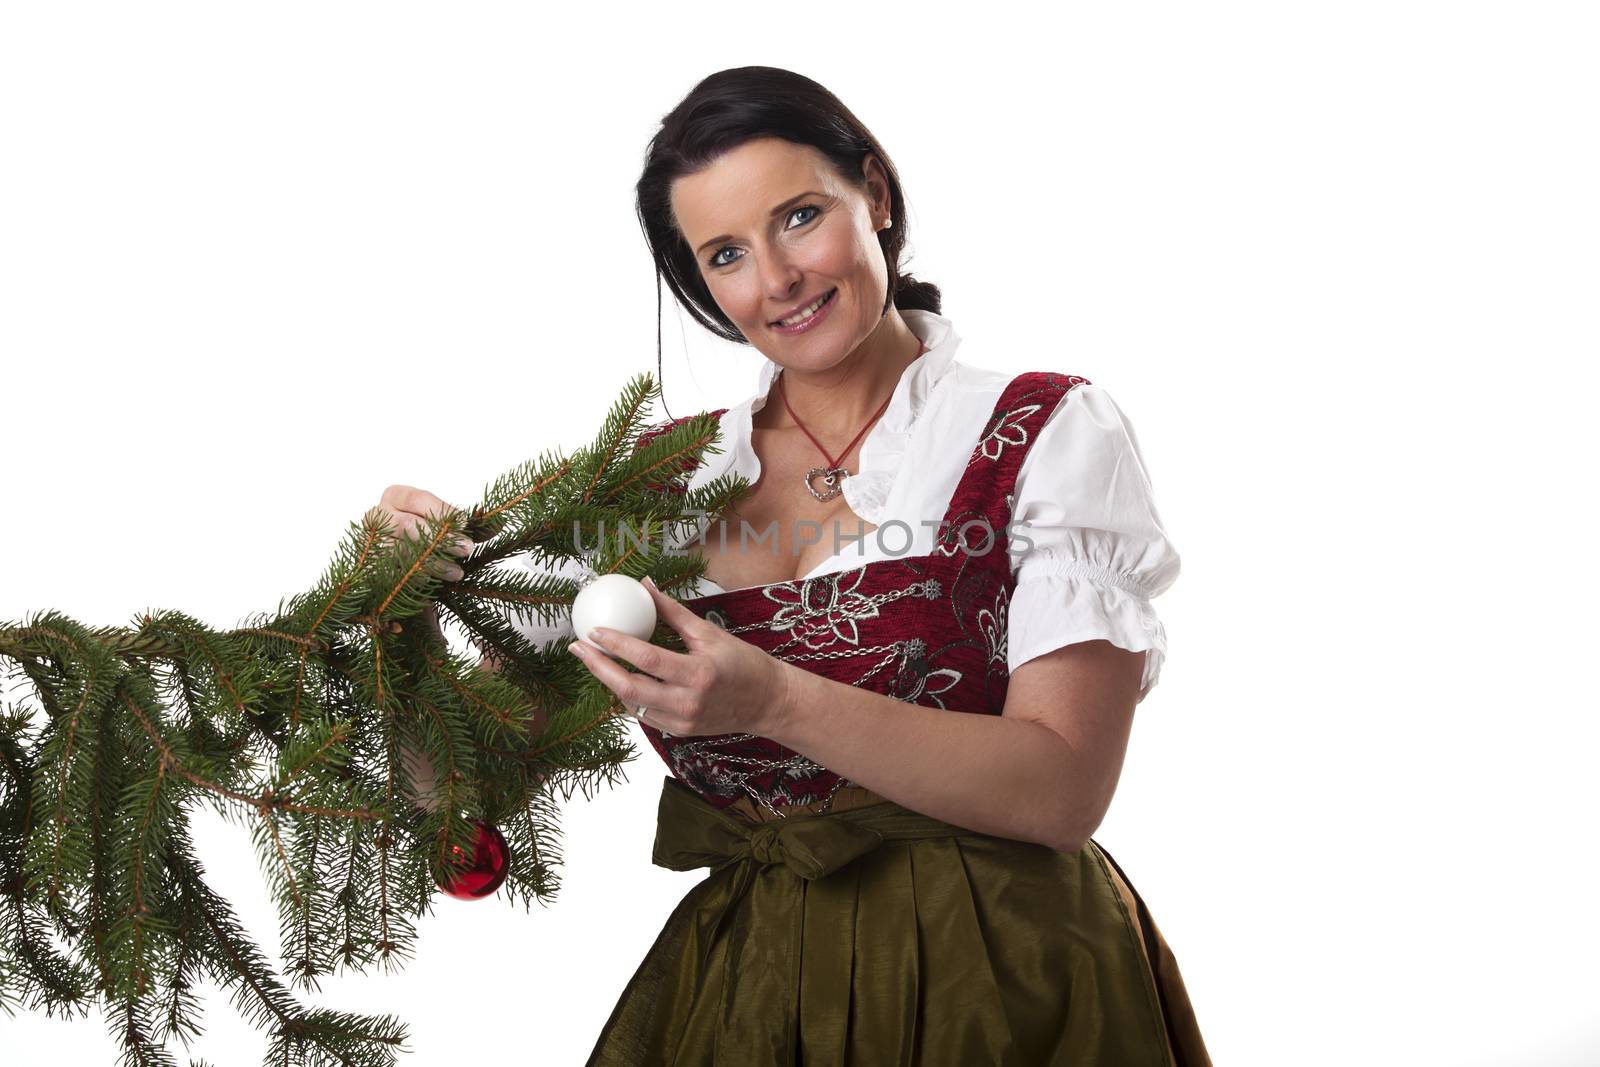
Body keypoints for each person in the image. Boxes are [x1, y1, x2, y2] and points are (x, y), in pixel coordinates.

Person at [380, 65, 1211, 1066]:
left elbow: (1062, 788)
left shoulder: (1039, 431)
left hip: (1002, 982)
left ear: (877, 195)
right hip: (749, 998)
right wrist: (402, 612)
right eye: (727, 253)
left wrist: (773, 700)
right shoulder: (658, 489)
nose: (776, 279)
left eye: (800, 216)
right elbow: (456, 793)